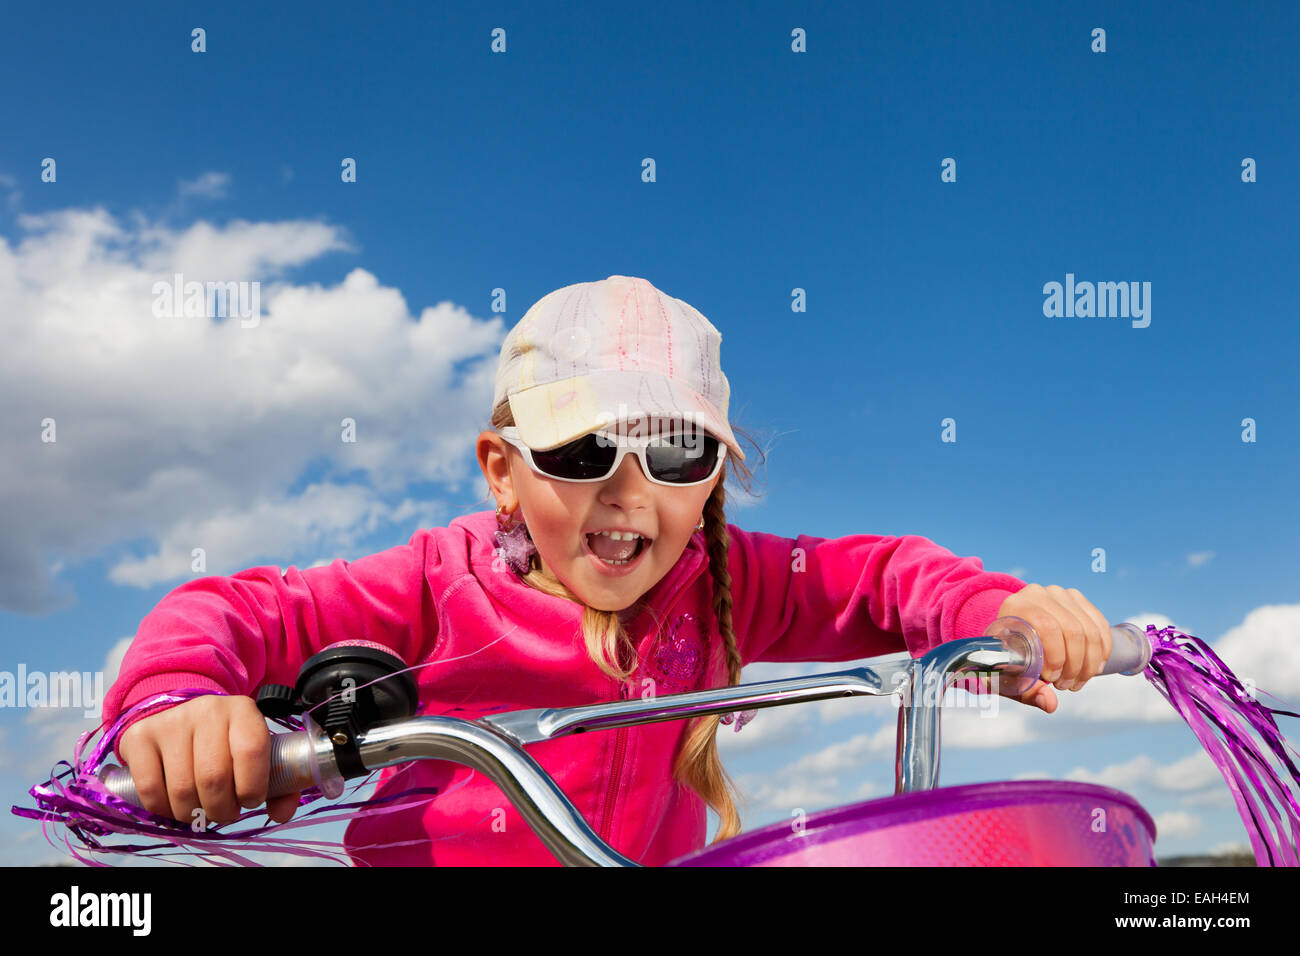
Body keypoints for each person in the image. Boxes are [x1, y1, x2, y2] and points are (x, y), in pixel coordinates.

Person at [101, 274, 1115, 866]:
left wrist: (994, 607)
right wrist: (180, 698)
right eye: (583, 452)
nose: (631, 492)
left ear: (713, 471)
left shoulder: (730, 577)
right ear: (502, 471)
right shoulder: (432, 580)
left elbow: (882, 575)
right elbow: (233, 609)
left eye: (675, 451)